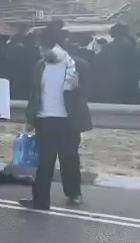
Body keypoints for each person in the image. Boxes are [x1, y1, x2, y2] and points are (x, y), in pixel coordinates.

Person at [18, 27, 91, 210]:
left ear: (56, 47)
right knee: (44, 163)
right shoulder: (40, 66)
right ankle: (40, 200)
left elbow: (88, 91)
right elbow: (35, 94)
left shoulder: (76, 65)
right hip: (44, 120)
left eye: (44, 48)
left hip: (68, 121)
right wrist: (30, 119)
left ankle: (74, 193)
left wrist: (78, 86)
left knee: (69, 160)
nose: (41, 52)